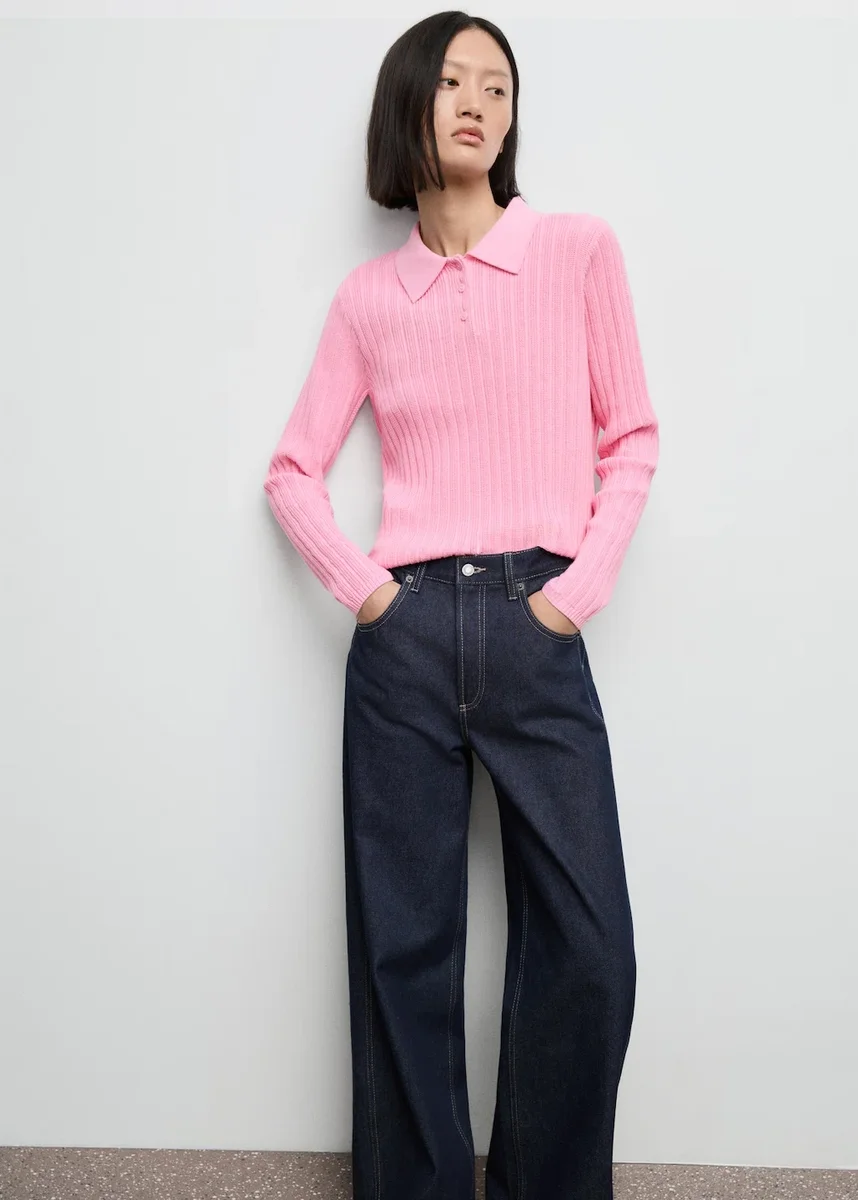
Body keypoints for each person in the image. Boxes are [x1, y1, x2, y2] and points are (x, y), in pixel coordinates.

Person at [263, 12, 659, 1200]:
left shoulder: (575, 252)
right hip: (409, 635)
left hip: (538, 620)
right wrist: (372, 598)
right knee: (405, 944)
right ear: (410, 105)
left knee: (590, 946)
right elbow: (291, 472)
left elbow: (632, 437)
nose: (478, 101)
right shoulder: (368, 300)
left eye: (497, 85)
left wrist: (575, 594)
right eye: (452, 82)